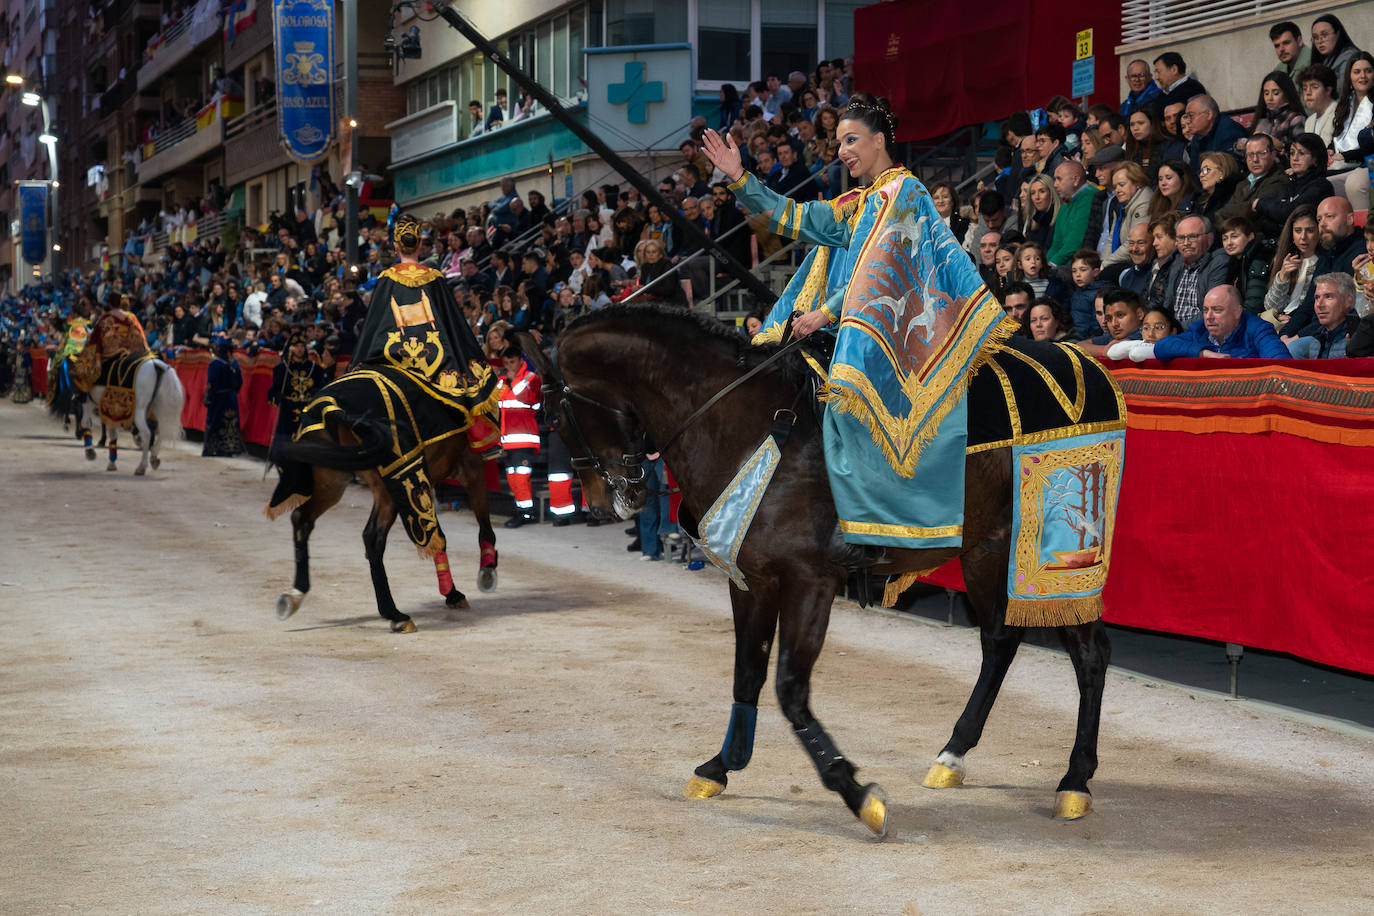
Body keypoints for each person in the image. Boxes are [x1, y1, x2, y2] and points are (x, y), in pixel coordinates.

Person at [700, 93, 1011, 563]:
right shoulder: (859, 200)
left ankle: (869, 528)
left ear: (880, 140)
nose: (843, 151)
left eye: (851, 140)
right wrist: (740, 177)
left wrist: (826, 312)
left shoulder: (904, 192)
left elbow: (887, 268)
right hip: (855, 320)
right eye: (839, 142)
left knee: (848, 398)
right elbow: (800, 219)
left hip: (893, 326)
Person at [351, 213, 501, 457]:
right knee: (465, 375)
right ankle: (482, 440)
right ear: (419, 244)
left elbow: (373, 325)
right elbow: (453, 323)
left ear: (395, 245)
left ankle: (359, 440)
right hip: (435, 359)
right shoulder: (435, 278)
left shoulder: (387, 280)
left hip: (394, 356)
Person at [1154, 285, 1290, 359]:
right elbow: (1161, 346)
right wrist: (1203, 353)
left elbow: (1280, 362)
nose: (1208, 316)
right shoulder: (1199, 330)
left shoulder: (1258, 329)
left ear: (1237, 312)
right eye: (1206, 310)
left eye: (1217, 310)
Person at [267, 326, 332, 461]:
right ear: (290, 348)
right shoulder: (282, 369)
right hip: (288, 410)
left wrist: (317, 393)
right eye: (296, 346)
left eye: (302, 346)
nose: (300, 349)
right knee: (286, 442)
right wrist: (277, 397)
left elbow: (323, 388)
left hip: (308, 410)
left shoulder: (315, 369)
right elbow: (273, 391)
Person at [1252, 132, 1333, 239]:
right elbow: (1276, 214)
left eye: (1301, 153)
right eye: (1292, 153)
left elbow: (1289, 213)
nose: (1294, 158)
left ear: (1315, 159)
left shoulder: (1321, 186)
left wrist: (1260, 203)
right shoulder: (1289, 183)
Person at [496, 345, 541, 528]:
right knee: (513, 478)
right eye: (506, 363)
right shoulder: (501, 380)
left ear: (521, 361)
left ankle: (526, 514)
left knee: (521, 477)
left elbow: (531, 400)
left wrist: (513, 381)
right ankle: (522, 510)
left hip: (524, 438)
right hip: (507, 440)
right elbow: (495, 402)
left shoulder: (531, 378)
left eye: (512, 362)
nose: (509, 366)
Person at [1163, 215, 1230, 326]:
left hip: (1200, 332)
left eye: (1192, 236)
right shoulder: (1177, 263)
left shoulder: (1219, 263)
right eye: (1181, 238)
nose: (1186, 243)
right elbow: (1167, 305)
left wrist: (1174, 330)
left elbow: (1212, 312)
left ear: (1210, 238)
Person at [1262, 204, 1320, 328]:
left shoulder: (1323, 262)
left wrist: (1293, 320)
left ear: (1319, 231)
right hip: (1279, 323)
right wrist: (1282, 276)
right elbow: (1270, 307)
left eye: (1310, 230)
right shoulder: (1285, 259)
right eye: (1298, 230)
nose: (1303, 237)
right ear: (1291, 233)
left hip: (1303, 325)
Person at [1328, 52, 1374, 203]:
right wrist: (1330, 149)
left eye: (1368, 71)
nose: (1363, 76)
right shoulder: (1345, 103)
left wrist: (1347, 155)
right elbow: (1338, 135)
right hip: (1340, 165)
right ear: (1349, 76)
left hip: (1365, 164)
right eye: (1357, 72)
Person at [1285, 272, 1360, 358]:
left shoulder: (1363, 339)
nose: (1319, 304)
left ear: (1348, 301)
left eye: (1328, 296)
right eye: (1317, 298)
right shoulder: (1312, 342)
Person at [1216, 134, 1286, 224]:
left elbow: (1250, 211)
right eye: (1250, 154)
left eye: (1261, 153)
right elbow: (1221, 216)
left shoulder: (1279, 180)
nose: (1255, 159)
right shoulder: (1242, 183)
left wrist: (1224, 211)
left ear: (1273, 155)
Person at [1101, 162, 1153, 268]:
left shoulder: (1144, 203)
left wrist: (1105, 265)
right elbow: (1111, 239)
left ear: (1137, 182)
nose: (1117, 190)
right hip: (1122, 260)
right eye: (1115, 186)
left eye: (1122, 185)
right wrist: (1102, 262)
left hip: (1138, 263)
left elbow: (1131, 243)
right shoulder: (1122, 203)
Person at [1218, 215, 1272, 314]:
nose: (1229, 243)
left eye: (1234, 236)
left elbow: (1254, 303)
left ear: (1250, 237)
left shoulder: (1258, 258)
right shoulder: (1234, 261)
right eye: (1225, 238)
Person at [201, 336, 245, 457]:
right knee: (230, 422)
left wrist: (207, 398)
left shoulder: (215, 363)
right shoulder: (234, 363)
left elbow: (211, 383)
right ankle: (229, 449)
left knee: (215, 422)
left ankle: (213, 449)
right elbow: (240, 382)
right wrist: (233, 392)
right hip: (231, 397)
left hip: (217, 398)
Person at [1047, 161, 1094, 267]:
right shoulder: (1064, 206)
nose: (1055, 184)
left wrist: (1053, 264)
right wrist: (1044, 266)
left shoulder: (1090, 197)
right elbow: (1056, 245)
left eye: (1059, 179)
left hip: (1081, 266)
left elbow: (1075, 241)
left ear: (1075, 180)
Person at [1185, 95, 1248, 175]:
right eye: (1186, 117)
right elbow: (1194, 172)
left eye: (1191, 115)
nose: (1188, 121)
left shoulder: (1229, 130)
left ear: (1209, 114)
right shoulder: (1197, 137)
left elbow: (1228, 171)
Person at [1079, 286, 1145, 357]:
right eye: (1109, 319)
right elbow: (1079, 346)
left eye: (1120, 315)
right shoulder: (1113, 337)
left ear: (1139, 314)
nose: (1114, 324)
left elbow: (1119, 349)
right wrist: (1104, 350)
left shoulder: (1148, 337)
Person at [1250, 71, 1306, 149]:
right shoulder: (1262, 120)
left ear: (1287, 94)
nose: (1270, 98)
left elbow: (1301, 150)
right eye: (1266, 93)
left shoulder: (1296, 119)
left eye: (1276, 93)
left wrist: (1281, 146)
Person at [1311, 14, 1361, 96]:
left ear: (1337, 34)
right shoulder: (1327, 59)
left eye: (1324, 35)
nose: (1320, 41)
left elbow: (1341, 93)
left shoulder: (1351, 57)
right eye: (1315, 37)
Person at [1296, 64, 1339, 145]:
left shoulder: (1339, 114)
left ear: (1328, 90)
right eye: (1304, 88)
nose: (1308, 93)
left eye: (1314, 87)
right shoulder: (1309, 121)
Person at [1019, 173, 1059, 249]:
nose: (1037, 197)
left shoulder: (1060, 218)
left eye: (1042, 191)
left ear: (1052, 193)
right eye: (1033, 193)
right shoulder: (1036, 220)